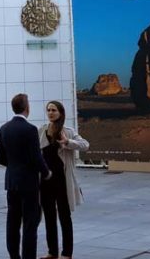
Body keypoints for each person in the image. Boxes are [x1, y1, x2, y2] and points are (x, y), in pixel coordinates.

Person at [0, 94, 51, 259]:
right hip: (28, 182)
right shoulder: (30, 129)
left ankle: (14, 255)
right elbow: (36, 157)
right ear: (27, 108)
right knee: (30, 222)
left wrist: (14, 166)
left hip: (11, 181)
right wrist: (46, 172)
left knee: (12, 221)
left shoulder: (4, 128)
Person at [38, 100, 89, 259]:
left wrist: (68, 142)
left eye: (54, 110)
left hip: (62, 179)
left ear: (61, 112)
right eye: (49, 110)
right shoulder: (41, 130)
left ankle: (67, 253)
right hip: (46, 180)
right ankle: (52, 252)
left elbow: (85, 145)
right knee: (49, 216)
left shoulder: (68, 131)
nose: (51, 113)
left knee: (65, 216)